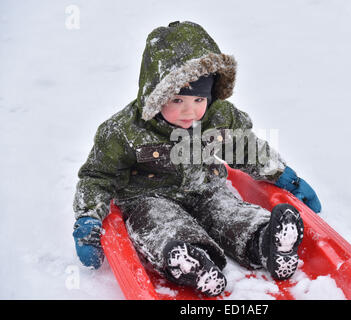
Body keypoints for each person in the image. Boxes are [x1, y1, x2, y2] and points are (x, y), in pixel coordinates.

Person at [72, 21, 321, 297]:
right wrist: (88, 219)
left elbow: (245, 147)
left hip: (205, 188)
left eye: (199, 100)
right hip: (150, 198)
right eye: (178, 100)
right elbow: (98, 175)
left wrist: (285, 176)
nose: (189, 111)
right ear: (156, 95)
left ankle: (266, 242)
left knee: (227, 210)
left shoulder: (217, 117)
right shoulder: (124, 131)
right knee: (159, 222)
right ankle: (191, 261)